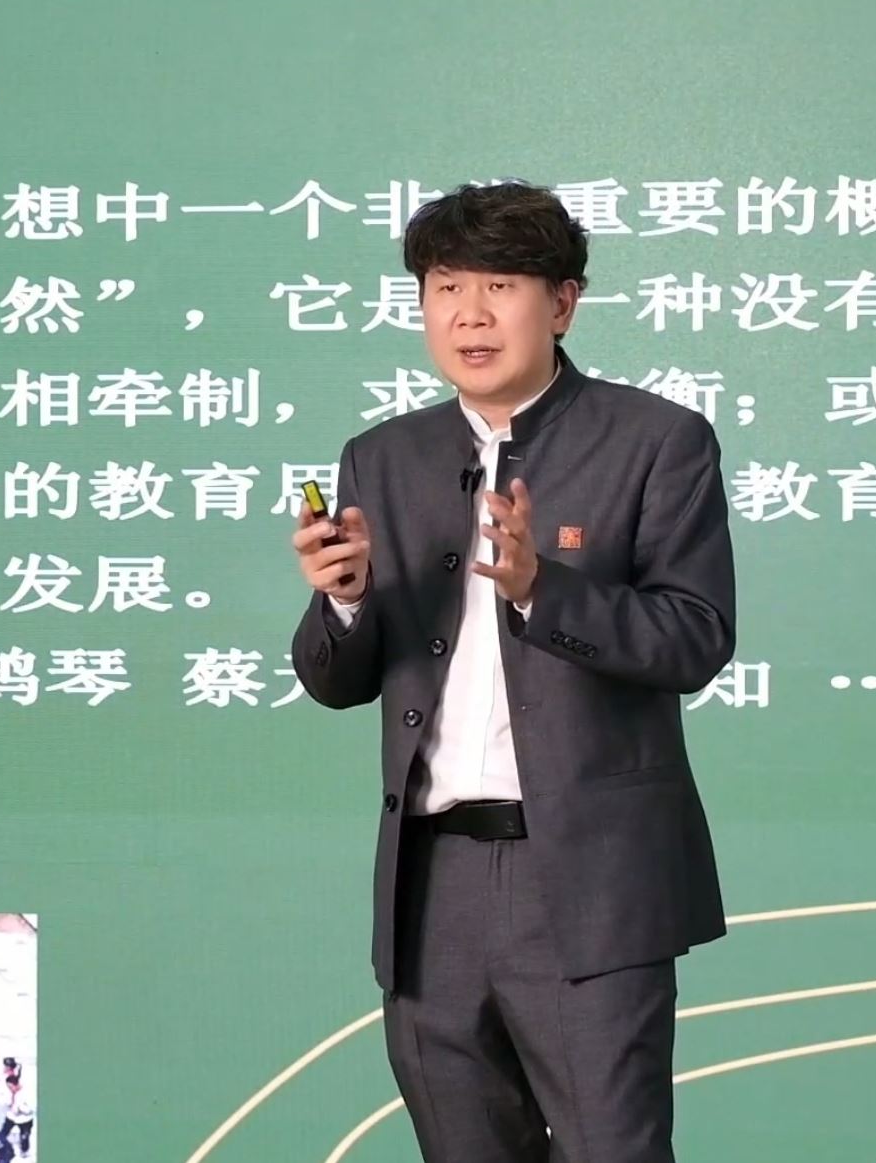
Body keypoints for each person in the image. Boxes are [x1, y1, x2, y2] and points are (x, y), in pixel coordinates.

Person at [286, 180, 735, 1163]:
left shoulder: (656, 443)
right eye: (446, 288)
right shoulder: (382, 457)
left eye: (499, 286)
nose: (469, 315)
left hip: (588, 884)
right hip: (431, 886)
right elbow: (335, 679)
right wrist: (344, 600)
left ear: (562, 303)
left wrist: (541, 590)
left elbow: (695, 637)